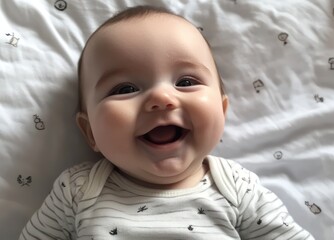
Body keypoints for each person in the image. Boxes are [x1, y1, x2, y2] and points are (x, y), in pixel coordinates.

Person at [20, 5, 314, 240]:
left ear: (222, 111)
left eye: (186, 81)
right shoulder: (78, 190)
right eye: (125, 89)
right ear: (90, 132)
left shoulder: (238, 188)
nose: (161, 98)